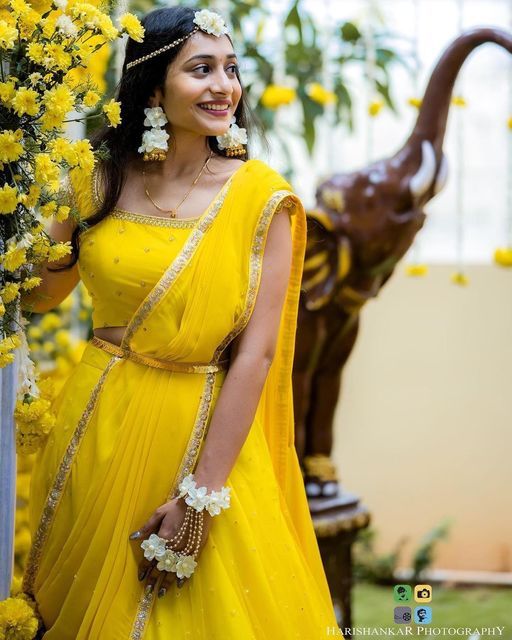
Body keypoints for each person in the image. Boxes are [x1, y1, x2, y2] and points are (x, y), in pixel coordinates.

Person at [21, 5, 341, 638]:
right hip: (98, 423)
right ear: (151, 84)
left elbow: (257, 356)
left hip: (204, 438)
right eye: (201, 70)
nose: (224, 86)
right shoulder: (95, 180)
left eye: (231, 69)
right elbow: (39, 295)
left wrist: (200, 499)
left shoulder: (260, 199)